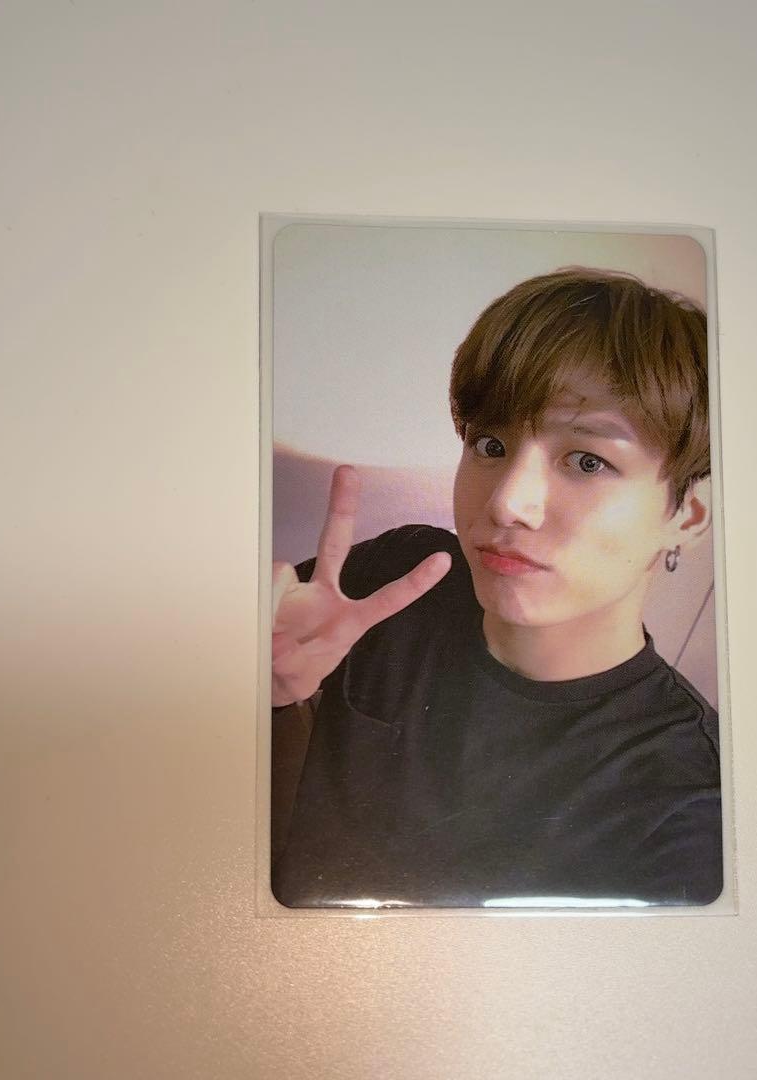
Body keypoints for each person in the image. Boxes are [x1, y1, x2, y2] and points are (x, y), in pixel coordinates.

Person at [270, 268, 722, 908]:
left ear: (686, 517)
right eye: (490, 444)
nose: (508, 502)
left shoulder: (685, 797)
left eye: (587, 461)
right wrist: (253, 681)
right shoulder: (402, 576)